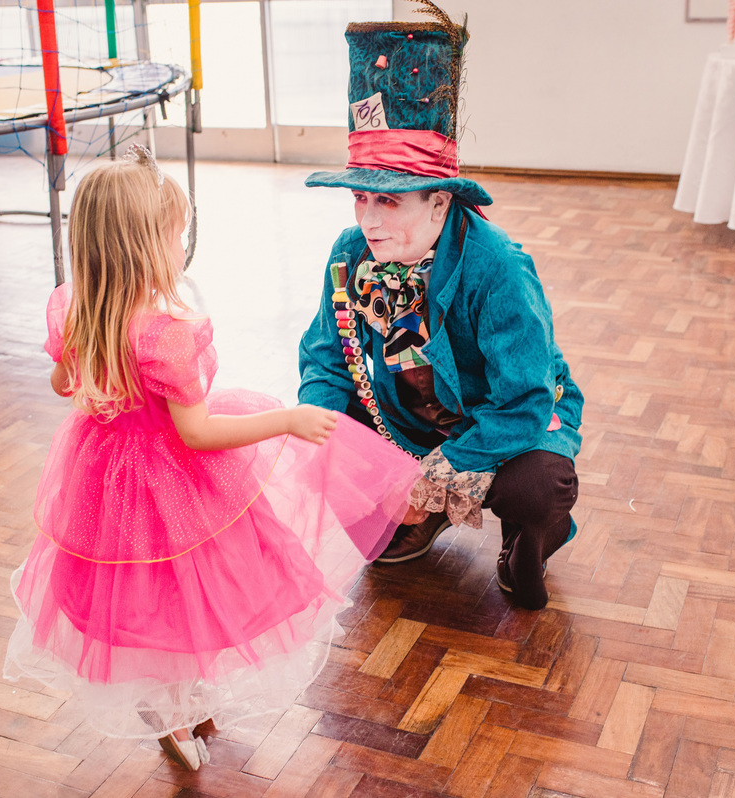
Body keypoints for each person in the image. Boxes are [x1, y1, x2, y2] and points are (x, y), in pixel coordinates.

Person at [3, 146, 421, 771]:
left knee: (149, 594)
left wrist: (105, 390)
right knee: (188, 593)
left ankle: (181, 702)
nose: (181, 245)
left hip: (101, 468)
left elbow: (64, 385)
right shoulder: (170, 332)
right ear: (145, 245)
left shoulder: (74, 305)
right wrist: (285, 420)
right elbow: (196, 433)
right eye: (177, 234)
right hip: (169, 478)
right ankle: (174, 713)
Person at [298, 7, 583, 611]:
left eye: (390, 202)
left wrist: (427, 484)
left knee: (538, 488)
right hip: (405, 421)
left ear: (439, 204)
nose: (369, 219)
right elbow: (325, 364)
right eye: (360, 199)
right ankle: (418, 522)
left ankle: (524, 541)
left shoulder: (498, 267)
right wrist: (325, 448)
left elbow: (526, 403)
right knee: (323, 435)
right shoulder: (351, 253)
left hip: (498, 428)